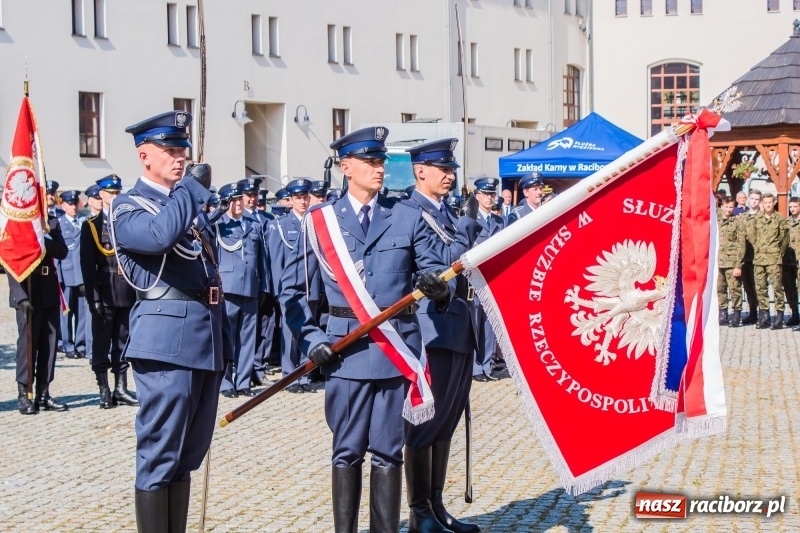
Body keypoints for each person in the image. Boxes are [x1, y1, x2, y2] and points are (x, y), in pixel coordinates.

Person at [281, 126, 451, 532]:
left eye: (382, 161)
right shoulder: (319, 222)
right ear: (346, 167)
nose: (380, 169)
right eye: (371, 162)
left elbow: (434, 272)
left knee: (389, 453)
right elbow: (292, 294)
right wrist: (312, 340)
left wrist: (436, 287)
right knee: (347, 452)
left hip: (396, 353)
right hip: (346, 351)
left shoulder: (406, 215)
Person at [112, 110, 232, 532]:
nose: (179, 157)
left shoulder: (184, 205)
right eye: (169, 150)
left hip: (204, 339)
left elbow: (209, 271)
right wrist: (193, 191)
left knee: (186, 455)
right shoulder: (129, 206)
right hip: (165, 342)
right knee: (160, 455)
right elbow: (160, 236)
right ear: (145, 156)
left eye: (183, 149)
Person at [405, 138, 482, 533]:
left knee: (447, 420)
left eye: (452, 169)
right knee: (425, 421)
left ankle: (436, 506)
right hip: (430, 329)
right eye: (442, 169)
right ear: (421, 171)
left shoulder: (452, 216)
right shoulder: (408, 213)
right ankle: (419, 511)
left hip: (459, 329)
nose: (450, 175)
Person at [80, 174, 138, 409]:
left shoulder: (126, 222)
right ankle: (104, 388)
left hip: (125, 292)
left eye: (117, 193)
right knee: (102, 342)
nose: (114, 197)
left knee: (123, 341)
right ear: (100, 195)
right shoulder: (91, 227)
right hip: (104, 295)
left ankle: (121, 387)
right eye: (110, 193)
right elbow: (87, 266)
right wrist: (93, 297)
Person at [8, 213, 69, 414]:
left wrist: (42, 238)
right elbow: (10, 260)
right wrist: (20, 295)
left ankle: (44, 392)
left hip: (49, 291)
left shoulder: (50, 222)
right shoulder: (16, 221)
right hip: (27, 291)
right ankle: (25, 393)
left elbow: (62, 251)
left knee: (49, 344)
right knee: (27, 345)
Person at [214, 182, 269, 398]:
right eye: (233, 200)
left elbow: (261, 259)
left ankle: (244, 381)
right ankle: (225, 382)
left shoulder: (253, 225)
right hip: (228, 288)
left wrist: (264, 286)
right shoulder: (220, 225)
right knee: (227, 338)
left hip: (250, 287)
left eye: (239, 199)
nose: (238, 204)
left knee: (248, 338)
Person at [269, 178, 319, 393]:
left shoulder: (314, 223)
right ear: (290, 200)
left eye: (305, 197)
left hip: (312, 287)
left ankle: (305, 376)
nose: (303, 202)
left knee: (308, 333)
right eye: (298, 198)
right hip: (290, 290)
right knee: (290, 334)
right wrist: (279, 290)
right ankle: (290, 377)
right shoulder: (281, 225)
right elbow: (276, 261)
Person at [238, 177, 277, 387]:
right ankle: (244, 370)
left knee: (266, 327)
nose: (252, 199)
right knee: (246, 330)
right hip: (248, 283)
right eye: (248, 195)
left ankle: (259, 368)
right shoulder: (238, 219)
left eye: (254, 195)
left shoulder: (268, 219)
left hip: (267, 281)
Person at [470, 177, 505, 382]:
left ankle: (487, 364)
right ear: (478, 196)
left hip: (493, 278)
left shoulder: (499, 221)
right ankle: (475, 367)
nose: (491, 198)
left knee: (490, 324)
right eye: (487, 194)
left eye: (493, 194)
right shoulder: (470, 219)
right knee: (474, 323)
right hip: (475, 279)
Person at [55, 190, 89, 359]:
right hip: (66, 275)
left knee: (82, 312)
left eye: (75, 204)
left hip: (81, 275)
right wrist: (59, 278)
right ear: (63, 205)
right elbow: (57, 255)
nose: (74, 207)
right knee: (66, 313)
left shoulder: (83, 223)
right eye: (70, 204)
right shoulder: (59, 224)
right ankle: (67, 344)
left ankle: (81, 344)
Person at [748, 192, 788, 329]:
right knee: (760, 288)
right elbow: (753, 238)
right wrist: (760, 249)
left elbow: (784, 240)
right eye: (765, 203)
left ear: (774, 202)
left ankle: (779, 316)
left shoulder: (780, 219)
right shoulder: (756, 219)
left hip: (774, 259)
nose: (768, 205)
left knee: (777, 288)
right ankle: (764, 316)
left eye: (770, 202)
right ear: (762, 204)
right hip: (759, 259)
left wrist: (776, 252)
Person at [717, 196, 745, 327]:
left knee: (735, 290)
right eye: (726, 207)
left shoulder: (737, 223)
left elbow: (742, 245)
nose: (728, 209)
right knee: (720, 289)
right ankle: (723, 313)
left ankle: (736, 314)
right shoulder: (716, 220)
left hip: (732, 262)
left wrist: (738, 265)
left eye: (730, 207)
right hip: (718, 263)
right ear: (722, 207)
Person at [740, 189, 762, 325]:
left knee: (760, 287)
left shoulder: (762, 218)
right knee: (748, 287)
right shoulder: (742, 217)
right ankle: (752, 313)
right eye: (752, 198)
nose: (754, 201)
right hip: (746, 257)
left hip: (759, 258)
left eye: (756, 199)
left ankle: (763, 314)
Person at [785, 197, 800, 330]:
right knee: (789, 289)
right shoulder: (787, 222)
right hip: (788, 262)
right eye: (791, 207)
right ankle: (795, 314)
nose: (792, 209)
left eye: (795, 206)